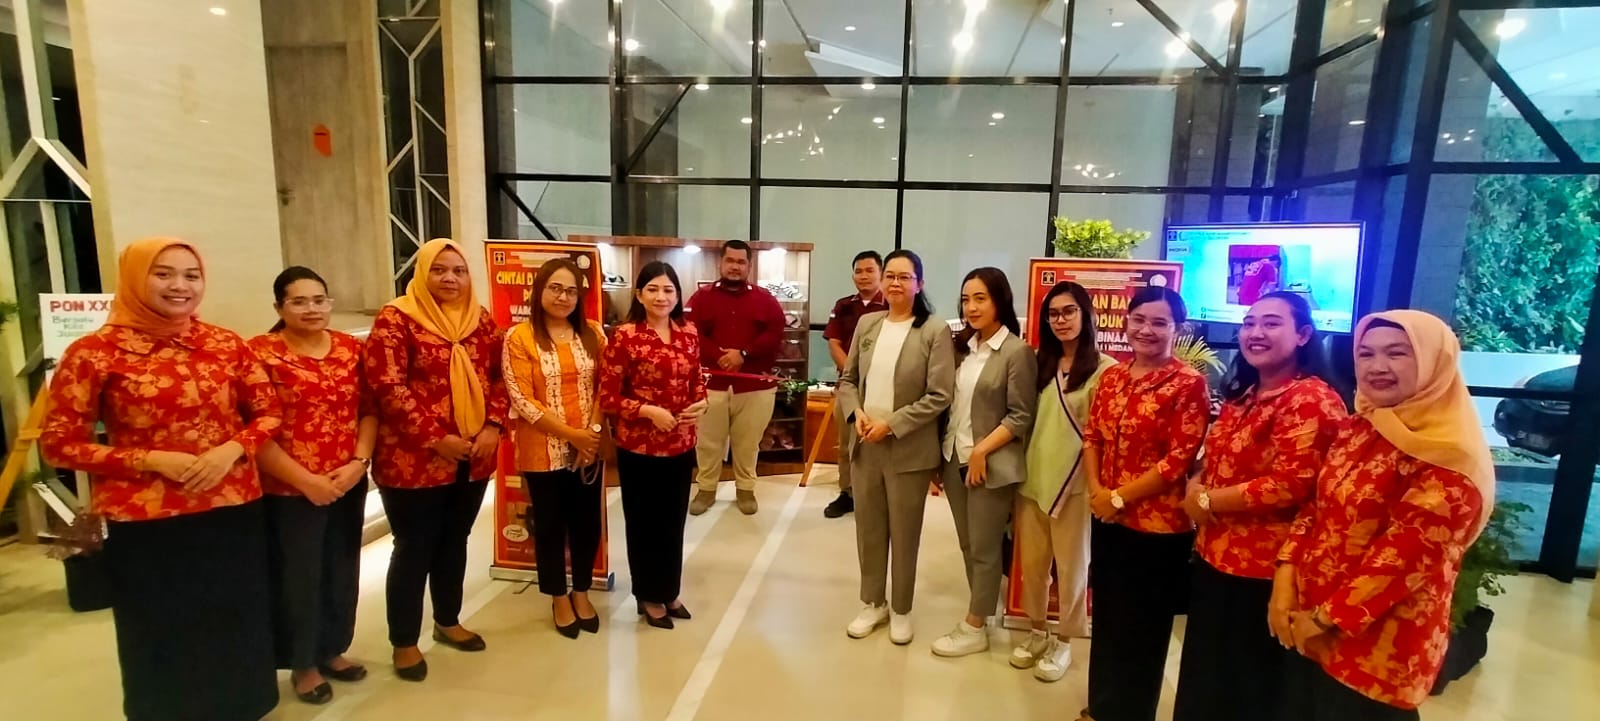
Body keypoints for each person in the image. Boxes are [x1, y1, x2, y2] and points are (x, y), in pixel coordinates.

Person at [40, 237, 283, 721]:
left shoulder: (225, 344)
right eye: (163, 273)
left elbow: (269, 412)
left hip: (231, 507)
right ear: (135, 278)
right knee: (161, 626)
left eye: (192, 275)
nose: (180, 285)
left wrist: (233, 448)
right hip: (147, 517)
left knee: (235, 615)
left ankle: (243, 706)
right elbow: (59, 444)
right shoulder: (94, 353)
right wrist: (149, 459)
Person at [1272, 310, 1494, 721]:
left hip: (1380, 646)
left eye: (1396, 353)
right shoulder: (1360, 427)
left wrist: (1324, 618)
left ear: (1434, 362)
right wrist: (1285, 582)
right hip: (1309, 622)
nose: (1377, 366)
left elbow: (1402, 559)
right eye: (1366, 354)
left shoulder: (1451, 456)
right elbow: (1316, 506)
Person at [1170, 292, 1347, 721]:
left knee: (1248, 690)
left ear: (1303, 335)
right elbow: (1213, 457)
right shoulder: (1245, 394)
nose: (1255, 333)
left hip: (1265, 572)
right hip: (1216, 558)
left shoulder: (1312, 399)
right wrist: (1195, 484)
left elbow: (1292, 483)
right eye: (1249, 323)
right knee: (1206, 679)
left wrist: (1208, 499)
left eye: (1271, 323)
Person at [364, 238, 508, 681]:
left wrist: (493, 427)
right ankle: (405, 641)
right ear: (421, 273)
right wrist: (436, 438)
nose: (450, 278)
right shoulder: (397, 319)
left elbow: (500, 377)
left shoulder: (480, 320)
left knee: (454, 541)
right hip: (413, 460)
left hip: (472, 455)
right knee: (414, 548)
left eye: (458, 271)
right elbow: (387, 387)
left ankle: (447, 620)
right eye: (439, 270)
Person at [1081, 286, 1211, 721]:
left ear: (1177, 328)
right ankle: (1102, 707)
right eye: (1139, 319)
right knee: (1109, 619)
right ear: (1126, 322)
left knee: (1143, 630)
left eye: (1159, 322)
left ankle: (1131, 713)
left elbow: (1178, 461)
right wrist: (1097, 491)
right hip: (1107, 517)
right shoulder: (1113, 376)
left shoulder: (1188, 384)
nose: (1146, 330)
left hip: (1156, 529)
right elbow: (1092, 437)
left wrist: (1119, 496)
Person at [250, 267, 378, 705]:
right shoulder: (260, 353)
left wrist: (359, 463)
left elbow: (369, 410)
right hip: (290, 489)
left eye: (319, 300)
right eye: (299, 301)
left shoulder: (349, 348)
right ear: (279, 307)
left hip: (346, 480)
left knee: (340, 568)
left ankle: (332, 649)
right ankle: (302, 663)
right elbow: (254, 428)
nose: (312, 309)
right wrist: (306, 481)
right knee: (298, 577)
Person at [836, 249, 955, 646]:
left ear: (919, 284)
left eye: (905, 277)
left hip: (908, 450)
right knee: (869, 530)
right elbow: (848, 380)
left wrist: (892, 424)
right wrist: (857, 414)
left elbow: (939, 394)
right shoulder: (868, 324)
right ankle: (873, 602)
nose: (895, 283)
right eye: (890, 276)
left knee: (904, 534)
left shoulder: (934, 330)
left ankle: (901, 608)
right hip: (865, 445)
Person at [1010, 281, 1116, 682]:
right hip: (1033, 481)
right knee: (1033, 567)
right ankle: (1037, 630)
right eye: (1053, 314)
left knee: (1073, 569)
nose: (1061, 320)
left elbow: (1104, 435)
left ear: (1086, 314)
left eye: (1069, 311)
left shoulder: (1106, 370)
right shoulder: (1039, 364)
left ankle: (1066, 640)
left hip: (1075, 486)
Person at [932, 268, 1037, 658]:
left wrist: (981, 451)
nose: (971, 307)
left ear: (1000, 301)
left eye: (980, 298)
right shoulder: (962, 348)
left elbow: (1021, 415)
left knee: (985, 547)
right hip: (953, 458)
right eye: (966, 299)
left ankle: (975, 626)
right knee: (967, 543)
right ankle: (983, 607)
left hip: (988, 465)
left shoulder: (1016, 352)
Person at [600, 261, 708, 630]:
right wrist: (647, 411)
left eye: (668, 290)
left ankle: (669, 590)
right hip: (640, 447)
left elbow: (696, 379)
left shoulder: (688, 332)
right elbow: (608, 397)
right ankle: (648, 595)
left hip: (681, 443)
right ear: (639, 294)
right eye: (653, 289)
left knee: (673, 522)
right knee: (644, 523)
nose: (661, 297)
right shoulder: (625, 336)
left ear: (678, 295)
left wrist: (701, 402)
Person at [503, 258, 607, 639]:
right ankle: (558, 597)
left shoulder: (593, 333)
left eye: (571, 291)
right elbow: (522, 399)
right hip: (541, 448)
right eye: (555, 288)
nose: (563, 297)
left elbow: (606, 386)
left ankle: (581, 591)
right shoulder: (519, 337)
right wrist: (572, 435)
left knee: (586, 523)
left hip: (588, 447)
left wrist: (591, 434)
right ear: (540, 291)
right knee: (549, 526)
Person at [686, 239, 786, 516]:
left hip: (754, 386)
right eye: (730, 260)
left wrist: (743, 353)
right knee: (707, 443)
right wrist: (718, 354)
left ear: (749, 266)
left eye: (741, 262)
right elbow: (689, 331)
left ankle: (745, 489)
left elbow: (775, 332)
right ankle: (706, 489)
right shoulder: (701, 298)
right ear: (721, 262)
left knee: (748, 443)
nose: (735, 266)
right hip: (711, 385)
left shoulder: (765, 299)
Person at [821, 250, 887, 519]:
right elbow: (834, 343)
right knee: (846, 444)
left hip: (882, 387)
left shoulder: (891, 305)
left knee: (878, 442)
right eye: (858, 271)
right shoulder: (843, 306)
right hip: (848, 387)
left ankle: (875, 494)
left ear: (881, 273)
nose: (863, 276)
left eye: (870, 270)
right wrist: (853, 373)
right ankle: (847, 492)